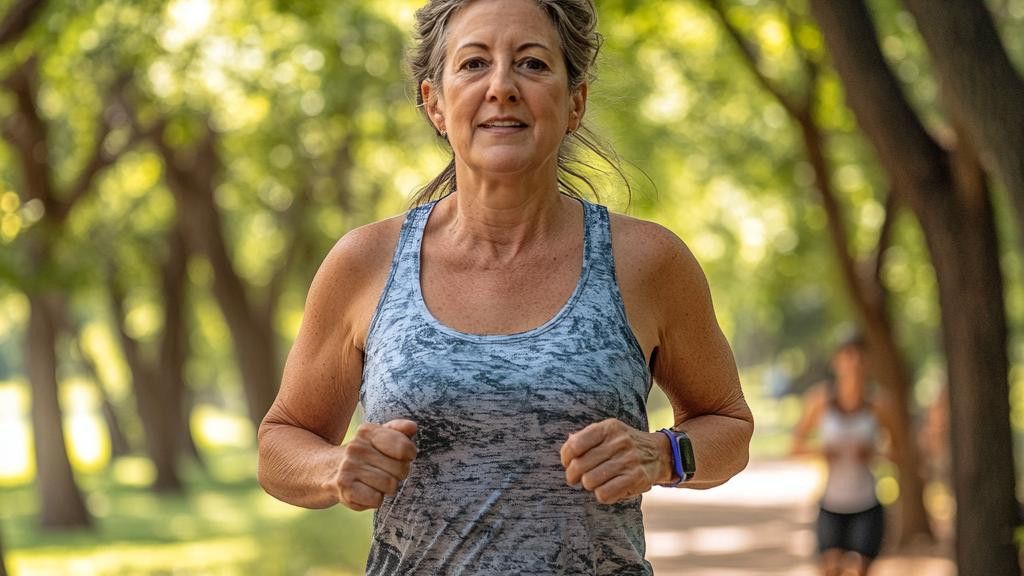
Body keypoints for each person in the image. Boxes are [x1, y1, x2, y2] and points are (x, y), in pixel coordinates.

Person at [257, 0, 754, 573]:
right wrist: (333, 468)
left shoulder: (647, 261)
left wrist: (663, 453)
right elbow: (280, 443)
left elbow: (729, 426)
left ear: (575, 102)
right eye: (472, 64)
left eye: (533, 64)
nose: (502, 87)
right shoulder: (366, 262)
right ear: (435, 103)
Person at [791, 334, 896, 576]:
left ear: (868, 362)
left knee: (860, 569)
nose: (854, 363)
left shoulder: (880, 403)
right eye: (848, 356)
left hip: (867, 502)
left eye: (860, 357)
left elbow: (899, 453)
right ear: (836, 361)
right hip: (831, 503)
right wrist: (822, 451)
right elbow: (794, 446)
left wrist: (874, 453)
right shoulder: (819, 401)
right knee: (830, 568)